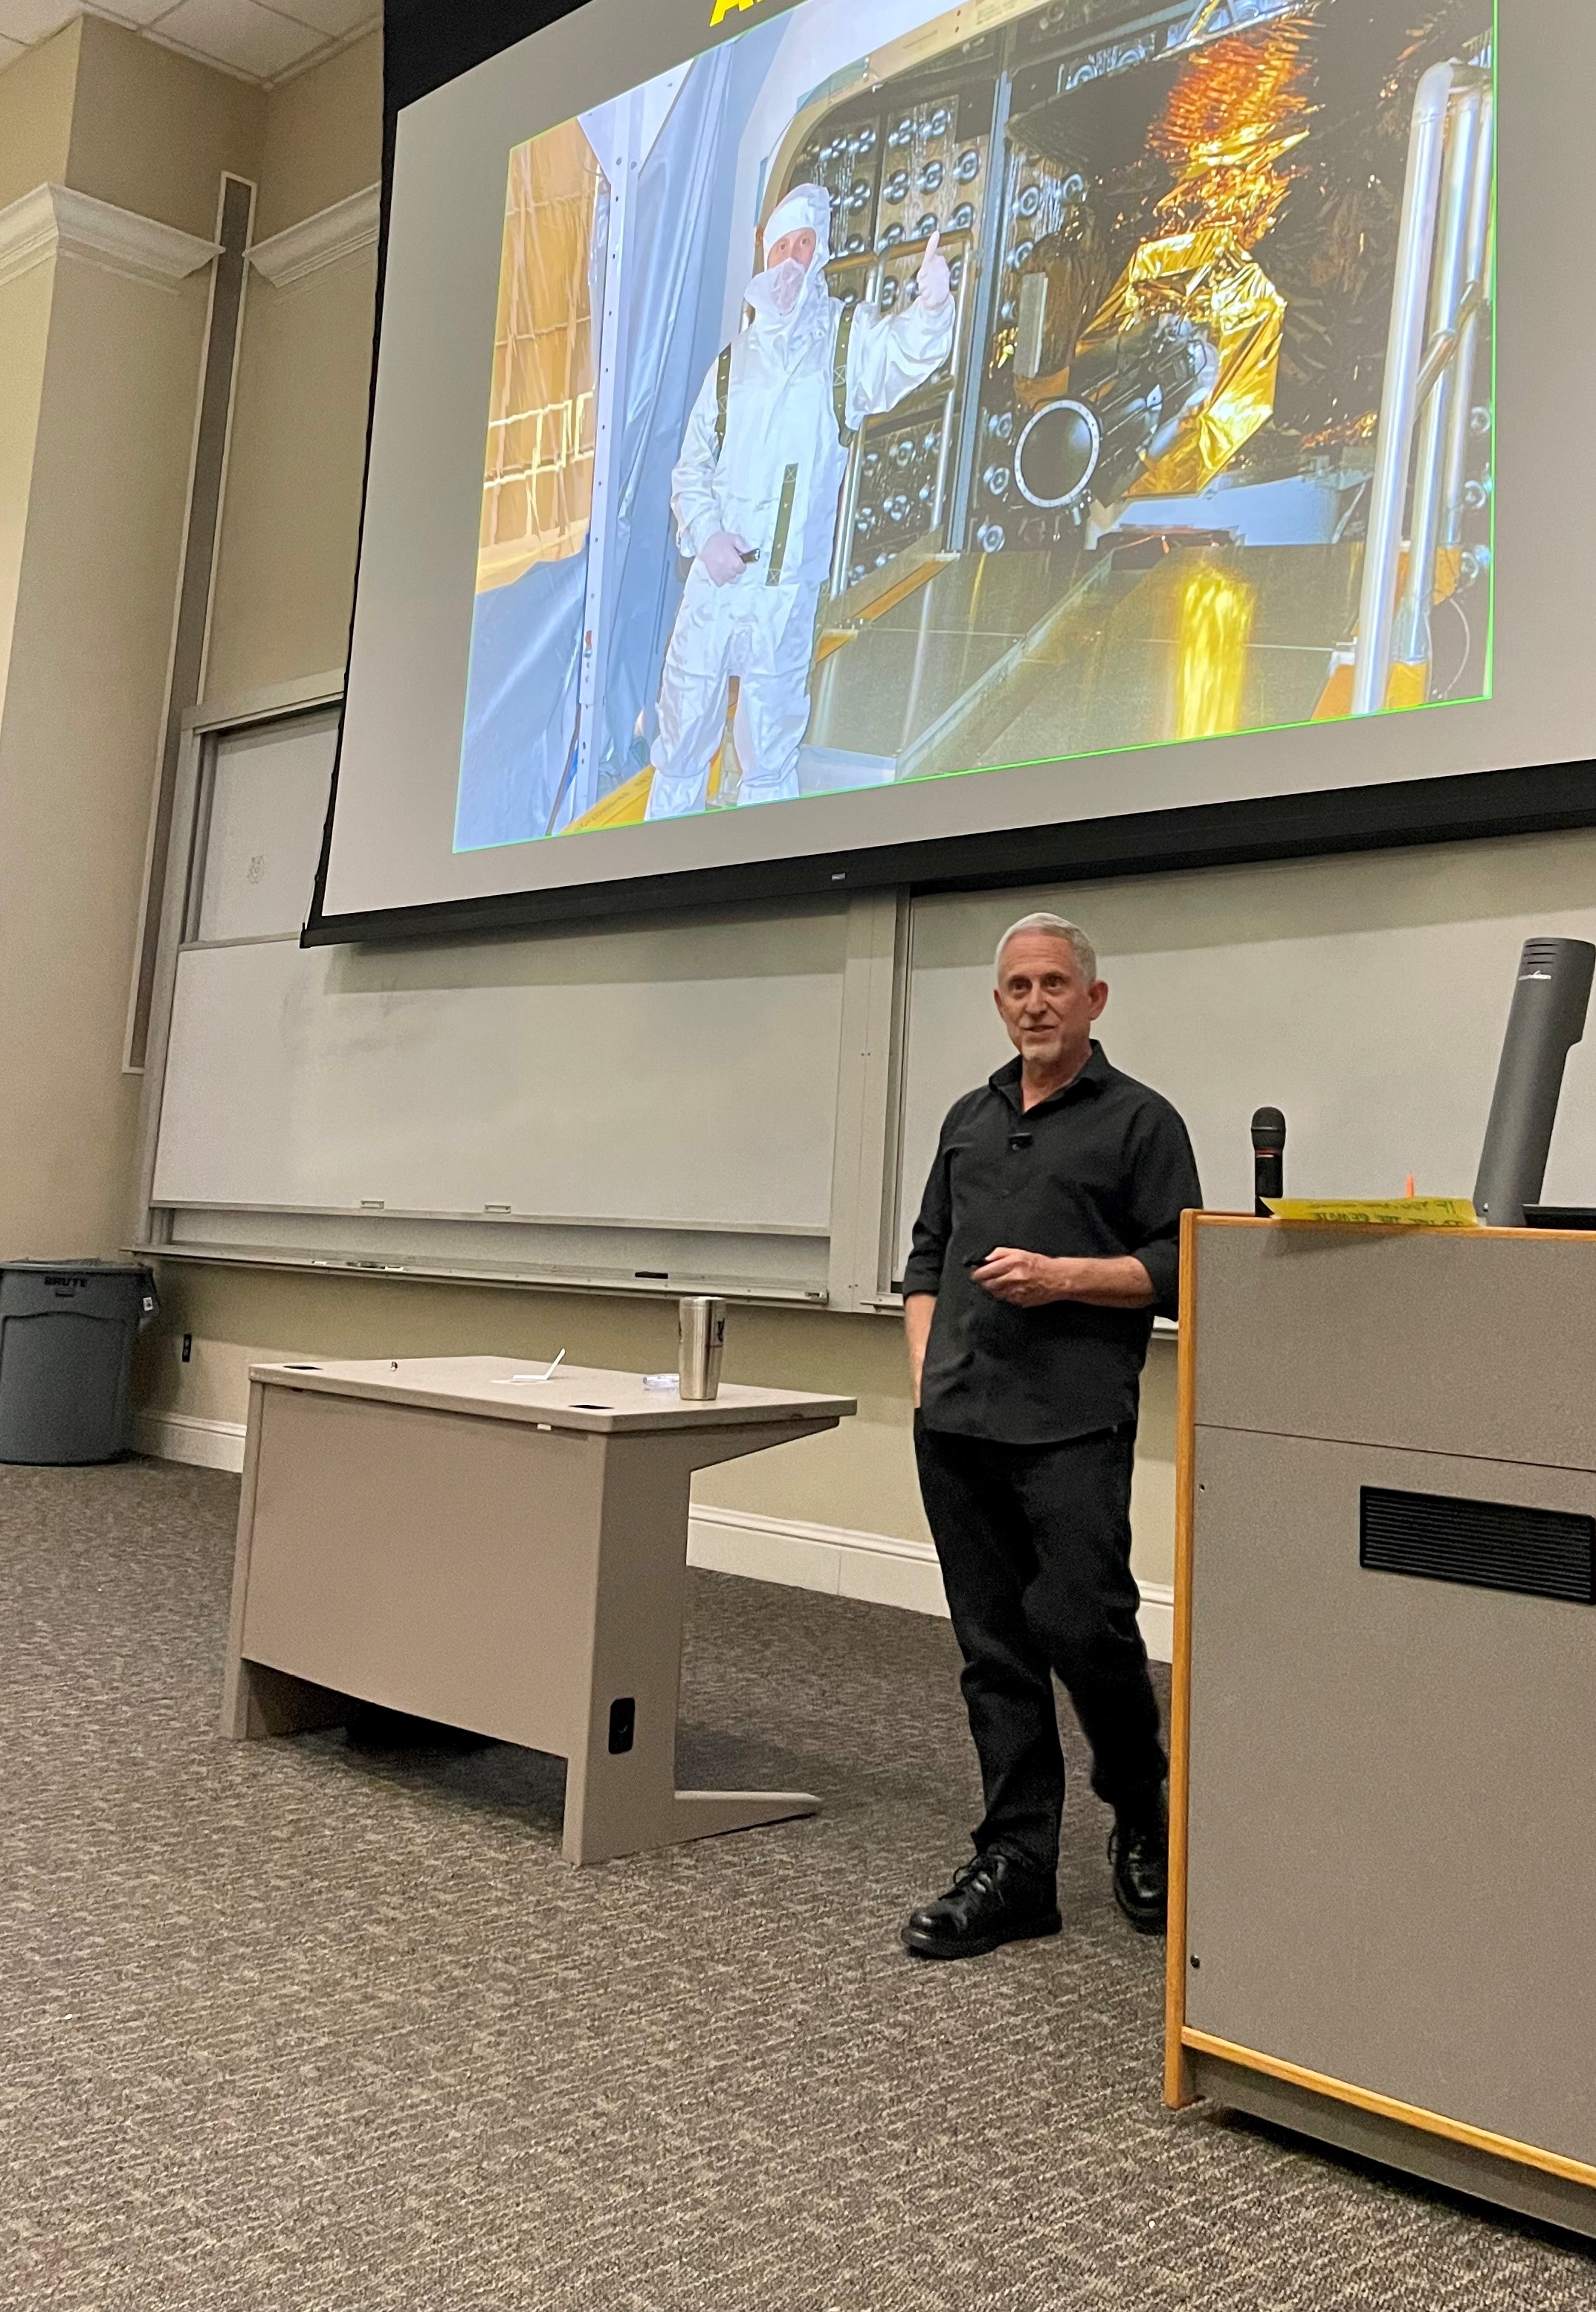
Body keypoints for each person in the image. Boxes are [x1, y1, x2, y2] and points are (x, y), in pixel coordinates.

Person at [899, 911, 1204, 1960]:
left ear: (1094, 1000)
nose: (1037, 1002)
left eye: (1056, 985)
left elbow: (1181, 1269)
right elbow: (927, 1258)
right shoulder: (966, 1119)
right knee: (993, 1654)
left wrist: (1064, 1277)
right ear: (1000, 1004)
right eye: (1019, 987)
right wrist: (926, 1380)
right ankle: (1015, 1862)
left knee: (1086, 1630)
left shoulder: (1140, 1123)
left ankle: (1143, 1810)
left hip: (1071, 1425)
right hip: (958, 1426)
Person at [644, 183, 955, 820]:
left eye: (803, 244)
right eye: (780, 246)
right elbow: (692, 466)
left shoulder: (844, 344)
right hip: (713, 589)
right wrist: (705, 536)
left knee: (766, 761)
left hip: (784, 599)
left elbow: (901, 352)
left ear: (820, 253)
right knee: (680, 749)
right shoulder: (730, 365)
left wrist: (932, 306)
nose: (790, 259)